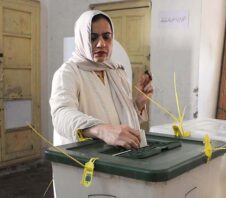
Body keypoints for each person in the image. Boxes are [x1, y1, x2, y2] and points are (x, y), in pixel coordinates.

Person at [50, 10, 153, 149]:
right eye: (93, 37)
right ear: (81, 38)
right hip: (84, 160)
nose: (101, 44)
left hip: (116, 156)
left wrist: (138, 104)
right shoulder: (68, 73)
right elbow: (61, 116)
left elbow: (121, 119)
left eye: (106, 37)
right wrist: (102, 130)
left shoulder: (115, 72)